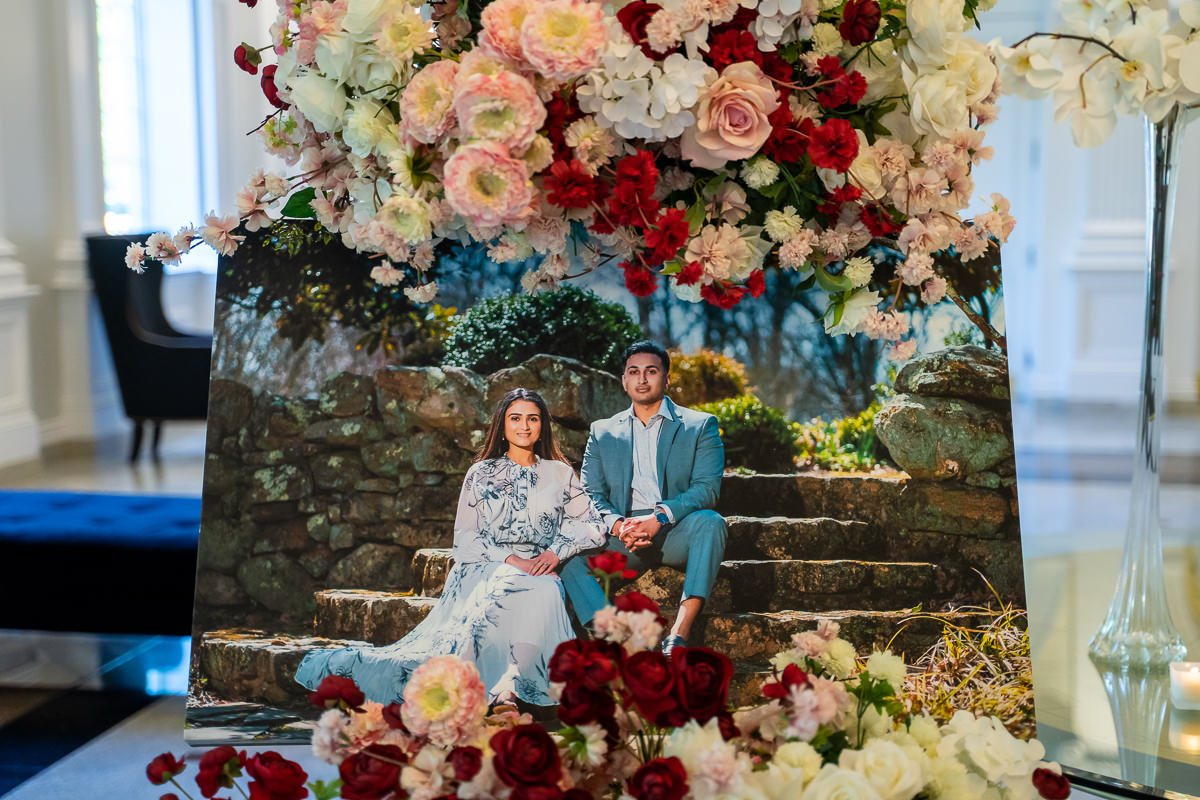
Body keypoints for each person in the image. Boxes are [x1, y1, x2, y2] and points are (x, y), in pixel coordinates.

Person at [294, 388, 607, 707]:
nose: (524, 426)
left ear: (543, 426)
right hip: (488, 566)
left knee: (546, 589)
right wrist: (514, 560)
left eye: (533, 419)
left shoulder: (560, 473)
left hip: (540, 567)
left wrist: (555, 552)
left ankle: (509, 688)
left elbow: (593, 525)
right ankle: (492, 689)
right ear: (502, 425)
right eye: (515, 418)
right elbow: (466, 539)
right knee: (518, 585)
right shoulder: (480, 473)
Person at [560, 341, 727, 657]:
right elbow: (590, 493)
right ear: (624, 381)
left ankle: (678, 635)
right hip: (623, 534)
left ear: (666, 378)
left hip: (676, 527)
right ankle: (616, 641)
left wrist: (659, 517)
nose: (642, 379)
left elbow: (707, 489)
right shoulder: (603, 431)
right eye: (633, 372)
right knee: (569, 558)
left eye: (651, 371)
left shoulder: (700, 425)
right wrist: (618, 525)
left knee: (711, 523)